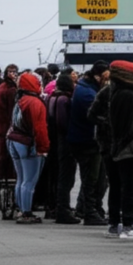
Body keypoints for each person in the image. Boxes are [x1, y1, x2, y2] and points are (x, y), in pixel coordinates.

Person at [104, 60, 133, 237]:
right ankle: (128, 224)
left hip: (115, 146)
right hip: (129, 148)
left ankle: (114, 223)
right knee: (131, 187)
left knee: (116, 185)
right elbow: (128, 124)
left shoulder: (113, 92)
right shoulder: (129, 95)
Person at [67, 61, 110, 226]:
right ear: (98, 76)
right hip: (86, 141)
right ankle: (90, 211)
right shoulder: (87, 93)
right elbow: (97, 114)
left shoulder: (85, 88)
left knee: (97, 178)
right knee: (92, 179)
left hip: (86, 140)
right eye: (106, 77)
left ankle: (89, 208)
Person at [6, 72, 49, 224]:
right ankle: (26, 212)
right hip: (27, 143)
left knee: (21, 179)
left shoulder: (20, 100)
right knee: (29, 181)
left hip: (13, 140)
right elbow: (40, 128)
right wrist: (43, 147)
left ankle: (20, 208)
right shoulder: (35, 102)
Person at [48, 73, 80, 224]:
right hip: (64, 141)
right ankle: (63, 208)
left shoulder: (52, 98)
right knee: (66, 176)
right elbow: (62, 122)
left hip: (53, 140)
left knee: (56, 174)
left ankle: (54, 206)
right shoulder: (64, 99)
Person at [0, 64, 18, 182]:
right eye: (10, 71)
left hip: (0, 124)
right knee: (6, 153)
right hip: (6, 125)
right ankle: (6, 177)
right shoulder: (10, 89)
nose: (13, 74)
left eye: (14, 71)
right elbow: (11, 110)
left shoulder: (2, 86)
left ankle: (1, 177)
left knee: (2, 152)